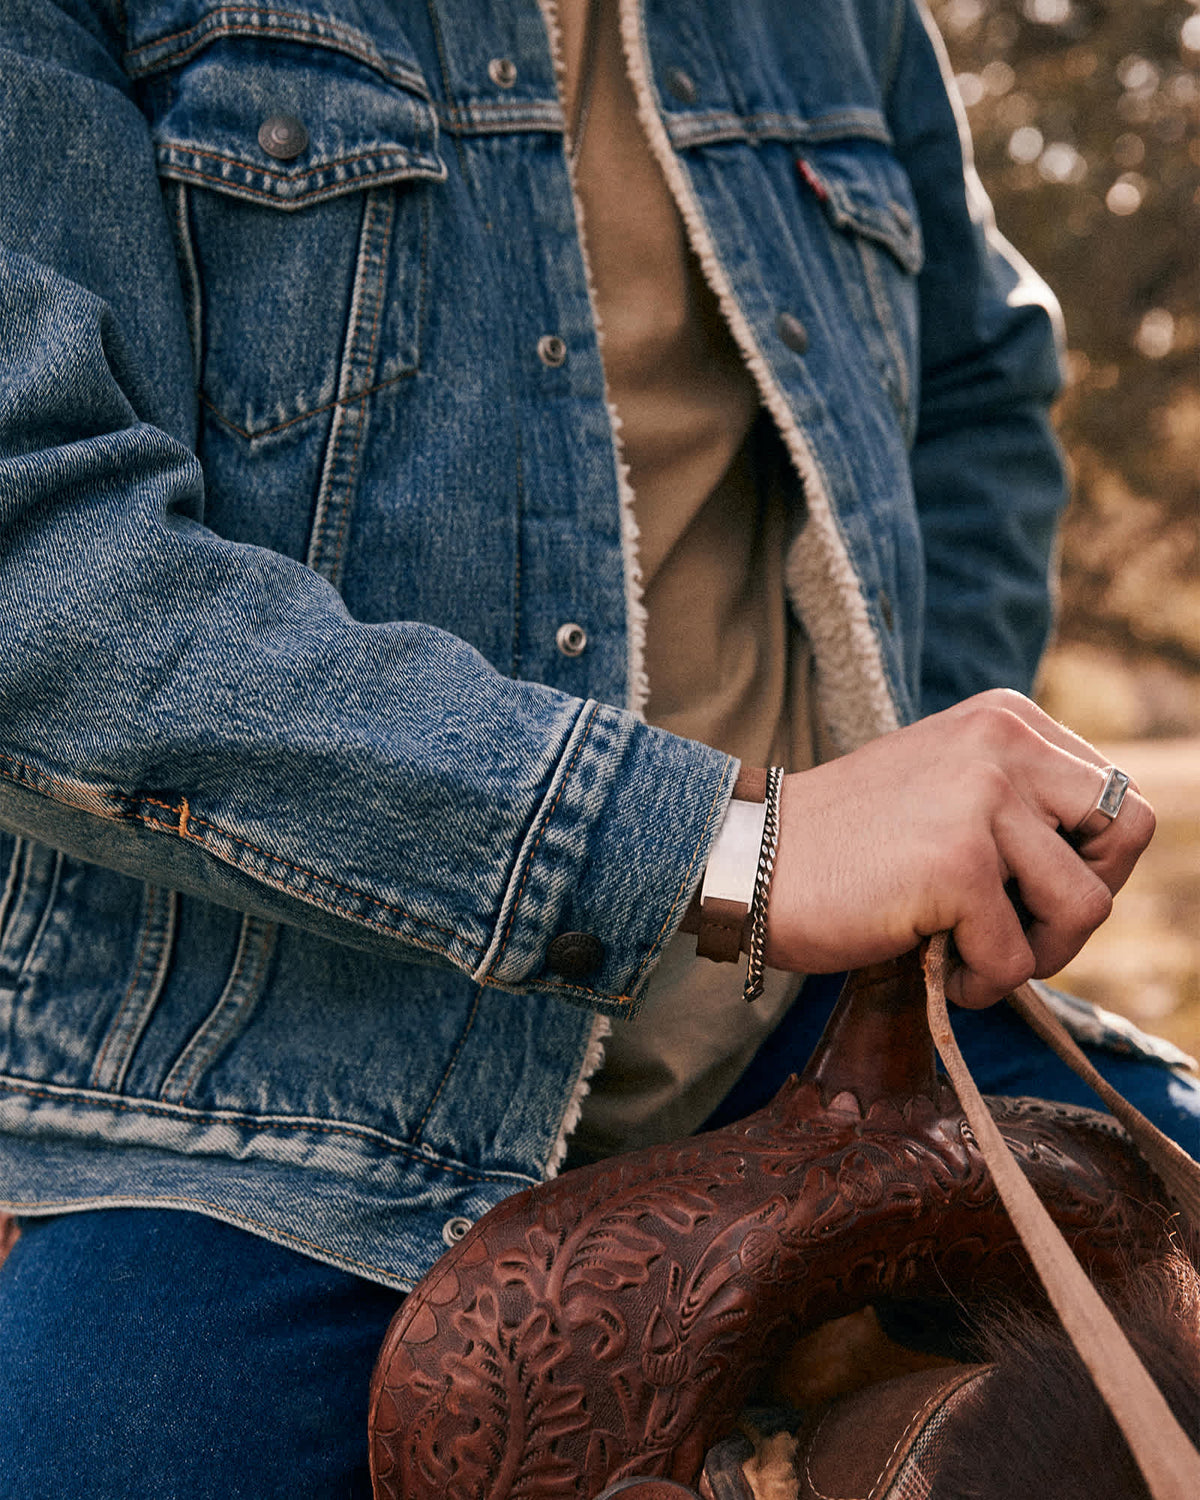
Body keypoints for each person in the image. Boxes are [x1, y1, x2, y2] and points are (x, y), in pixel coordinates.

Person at [0, 0, 1194, 1494]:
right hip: (259, 1103)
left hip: (824, 1029)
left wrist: (937, 796)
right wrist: (730, 851)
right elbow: (37, 569)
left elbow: (979, 389)